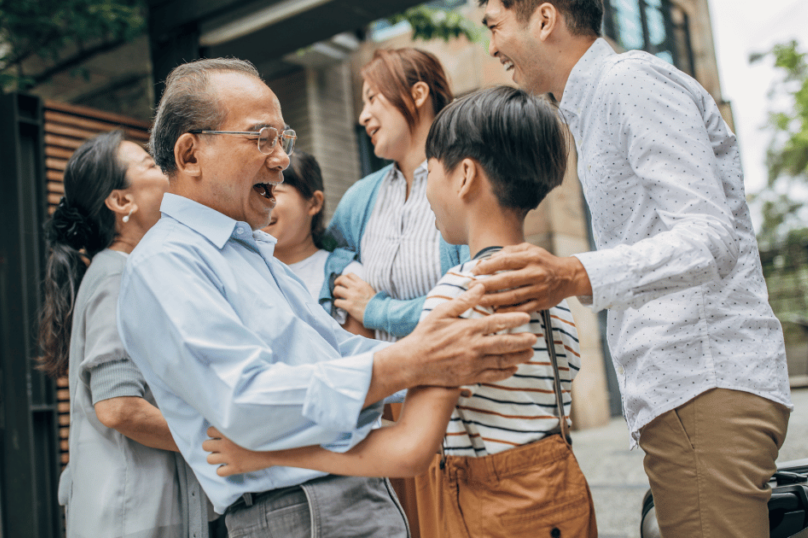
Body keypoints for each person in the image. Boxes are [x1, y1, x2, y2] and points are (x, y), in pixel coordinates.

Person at [115, 57, 538, 538]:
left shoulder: (251, 253)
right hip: (298, 510)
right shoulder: (165, 264)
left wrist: (442, 355)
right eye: (262, 138)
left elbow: (337, 353)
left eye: (284, 139)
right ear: (190, 154)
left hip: (345, 494)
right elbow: (247, 403)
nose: (281, 159)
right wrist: (415, 361)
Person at [202, 86, 597, 538]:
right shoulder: (553, 292)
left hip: (494, 513)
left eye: (432, 169)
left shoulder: (459, 293)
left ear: (465, 176)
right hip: (563, 501)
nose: (425, 190)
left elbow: (409, 449)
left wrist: (266, 454)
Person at [467, 1, 794, 537]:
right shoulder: (591, 105)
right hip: (687, 392)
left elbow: (710, 238)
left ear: (544, 20)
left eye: (495, 26)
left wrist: (572, 274)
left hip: (702, 384)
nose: (491, 46)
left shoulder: (628, 83)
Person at [36, 130, 212, 538]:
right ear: (121, 202)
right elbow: (117, 407)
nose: (167, 171)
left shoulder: (125, 271)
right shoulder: (117, 275)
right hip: (132, 516)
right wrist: (214, 440)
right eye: (151, 165)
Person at [325, 47, 469, 343]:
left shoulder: (465, 183)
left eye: (372, 99)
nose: (363, 116)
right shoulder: (359, 198)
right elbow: (326, 254)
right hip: (382, 371)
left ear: (418, 95)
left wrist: (376, 310)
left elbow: (472, 297)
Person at [262, 149, 371, 336]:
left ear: (314, 203)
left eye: (274, 190)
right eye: (257, 190)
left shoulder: (344, 278)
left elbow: (363, 351)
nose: (262, 202)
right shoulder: (241, 269)